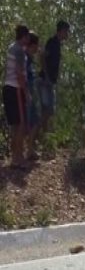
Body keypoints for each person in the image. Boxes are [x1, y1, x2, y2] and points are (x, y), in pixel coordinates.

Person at [2, 25, 30, 169]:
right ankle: (18, 158)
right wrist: (26, 92)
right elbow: (19, 73)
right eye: (28, 37)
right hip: (16, 89)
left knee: (14, 125)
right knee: (21, 125)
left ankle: (14, 158)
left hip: (7, 87)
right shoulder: (19, 50)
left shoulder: (11, 47)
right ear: (24, 36)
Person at [38, 20, 70, 135]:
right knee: (48, 110)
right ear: (61, 31)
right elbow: (42, 56)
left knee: (47, 111)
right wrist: (46, 75)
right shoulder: (52, 42)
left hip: (50, 81)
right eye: (66, 31)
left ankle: (42, 138)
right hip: (45, 81)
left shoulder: (58, 44)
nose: (67, 34)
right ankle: (34, 134)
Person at [25, 32, 41, 160]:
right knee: (29, 122)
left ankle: (30, 148)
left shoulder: (30, 59)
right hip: (26, 95)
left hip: (30, 94)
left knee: (34, 121)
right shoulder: (24, 59)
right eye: (36, 45)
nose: (37, 48)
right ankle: (26, 150)